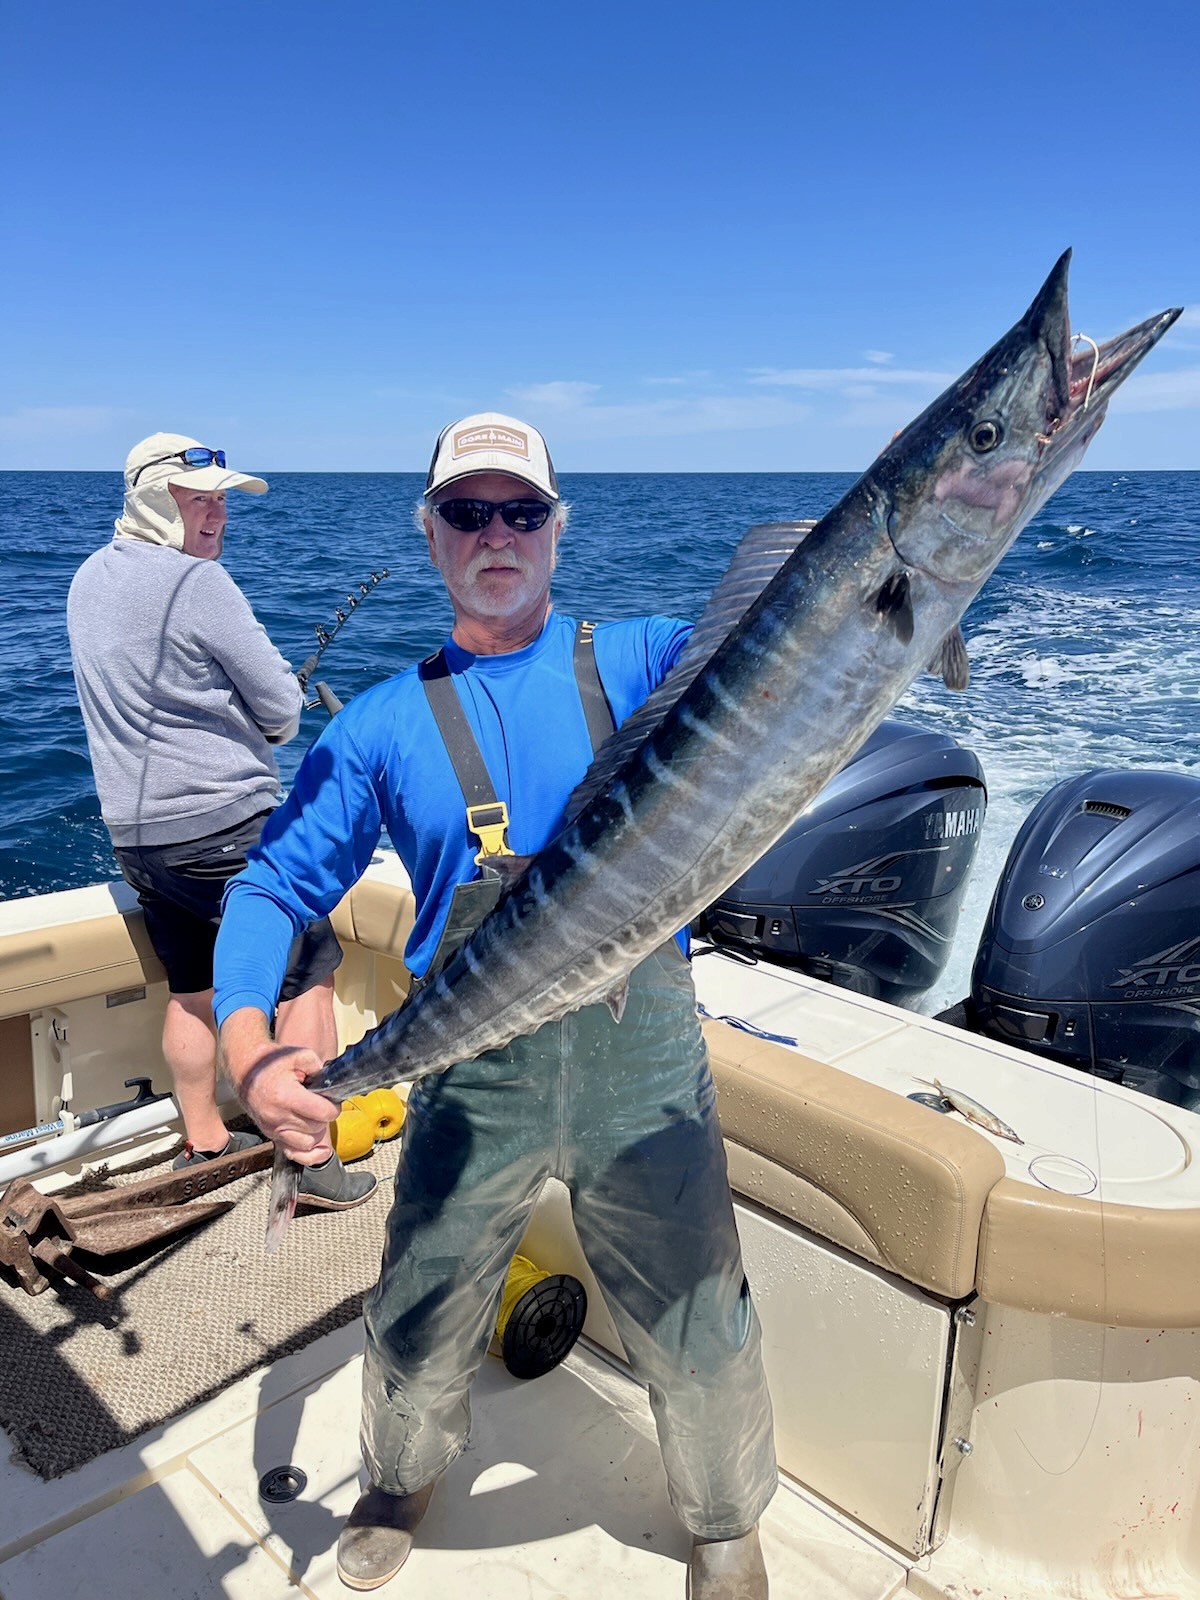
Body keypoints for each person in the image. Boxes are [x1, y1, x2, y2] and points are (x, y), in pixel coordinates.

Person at [213, 413, 776, 1596]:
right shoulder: (377, 724)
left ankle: (725, 1514)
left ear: (559, 530)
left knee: (702, 1325)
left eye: (521, 510)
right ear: (431, 537)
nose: (497, 534)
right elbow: (273, 883)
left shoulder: (645, 659)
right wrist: (253, 1048)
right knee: (417, 1317)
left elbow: (784, 647)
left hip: (645, 1056)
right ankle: (400, 1473)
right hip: (474, 1069)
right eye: (467, 512)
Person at [67, 431, 373, 1210]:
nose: (216, 517)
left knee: (194, 990)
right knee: (308, 980)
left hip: (140, 844)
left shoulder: (84, 582)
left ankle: (203, 1143)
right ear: (151, 499)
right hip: (229, 832)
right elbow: (277, 710)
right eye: (196, 500)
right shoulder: (201, 586)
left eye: (220, 502)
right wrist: (262, 717)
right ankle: (311, 1166)